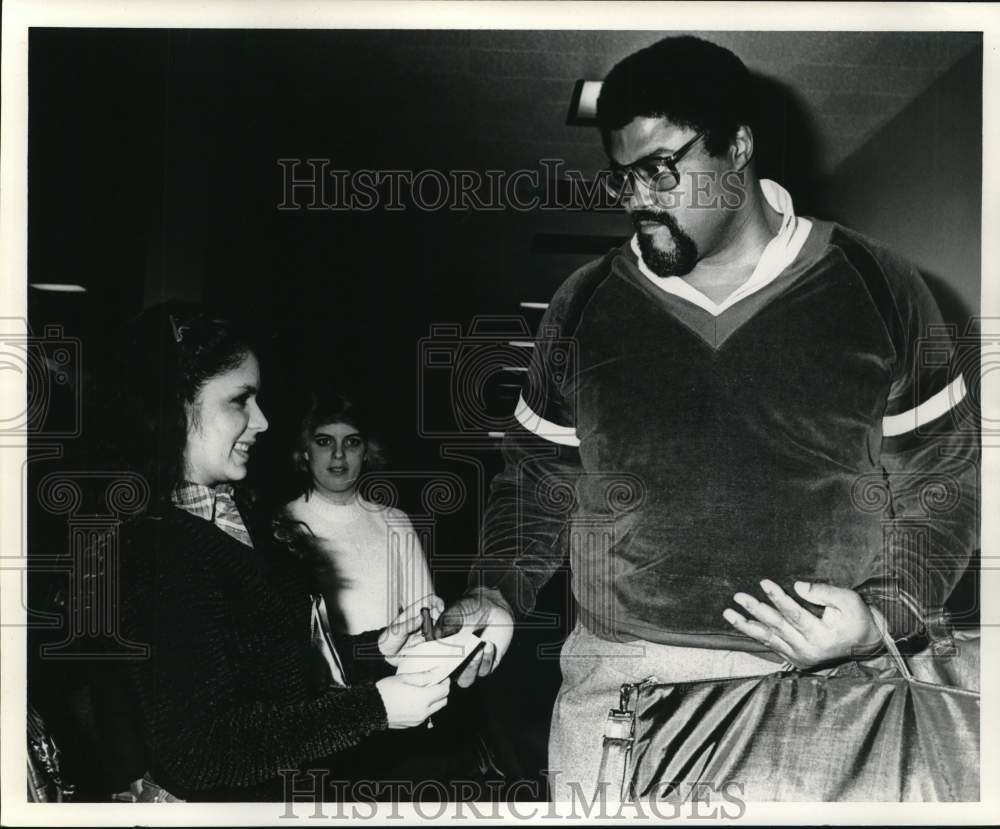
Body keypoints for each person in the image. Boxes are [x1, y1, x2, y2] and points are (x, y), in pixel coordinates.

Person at [440, 35, 978, 801]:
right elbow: (537, 481)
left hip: (824, 694)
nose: (638, 199)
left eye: (663, 169)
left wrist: (883, 613)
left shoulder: (875, 284)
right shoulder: (583, 306)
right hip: (622, 690)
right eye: (622, 176)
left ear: (739, 149)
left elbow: (945, 481)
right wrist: (496, 590)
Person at [99, 302, 449, 802]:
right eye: (240, 400)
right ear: (175, 404)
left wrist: (376, 650)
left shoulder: (236, 516)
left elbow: (275, 671)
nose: (262, 421)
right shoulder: (153, 549)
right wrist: (373, 709)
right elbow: (202, 752)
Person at [284, 394, 438, 636]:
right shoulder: (283, 523)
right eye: (324, 442)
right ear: (305, 451)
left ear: (366, 452)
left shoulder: (396, 522)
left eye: (351, 442)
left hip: (392, 670)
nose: (338, 454)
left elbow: (425, 615)